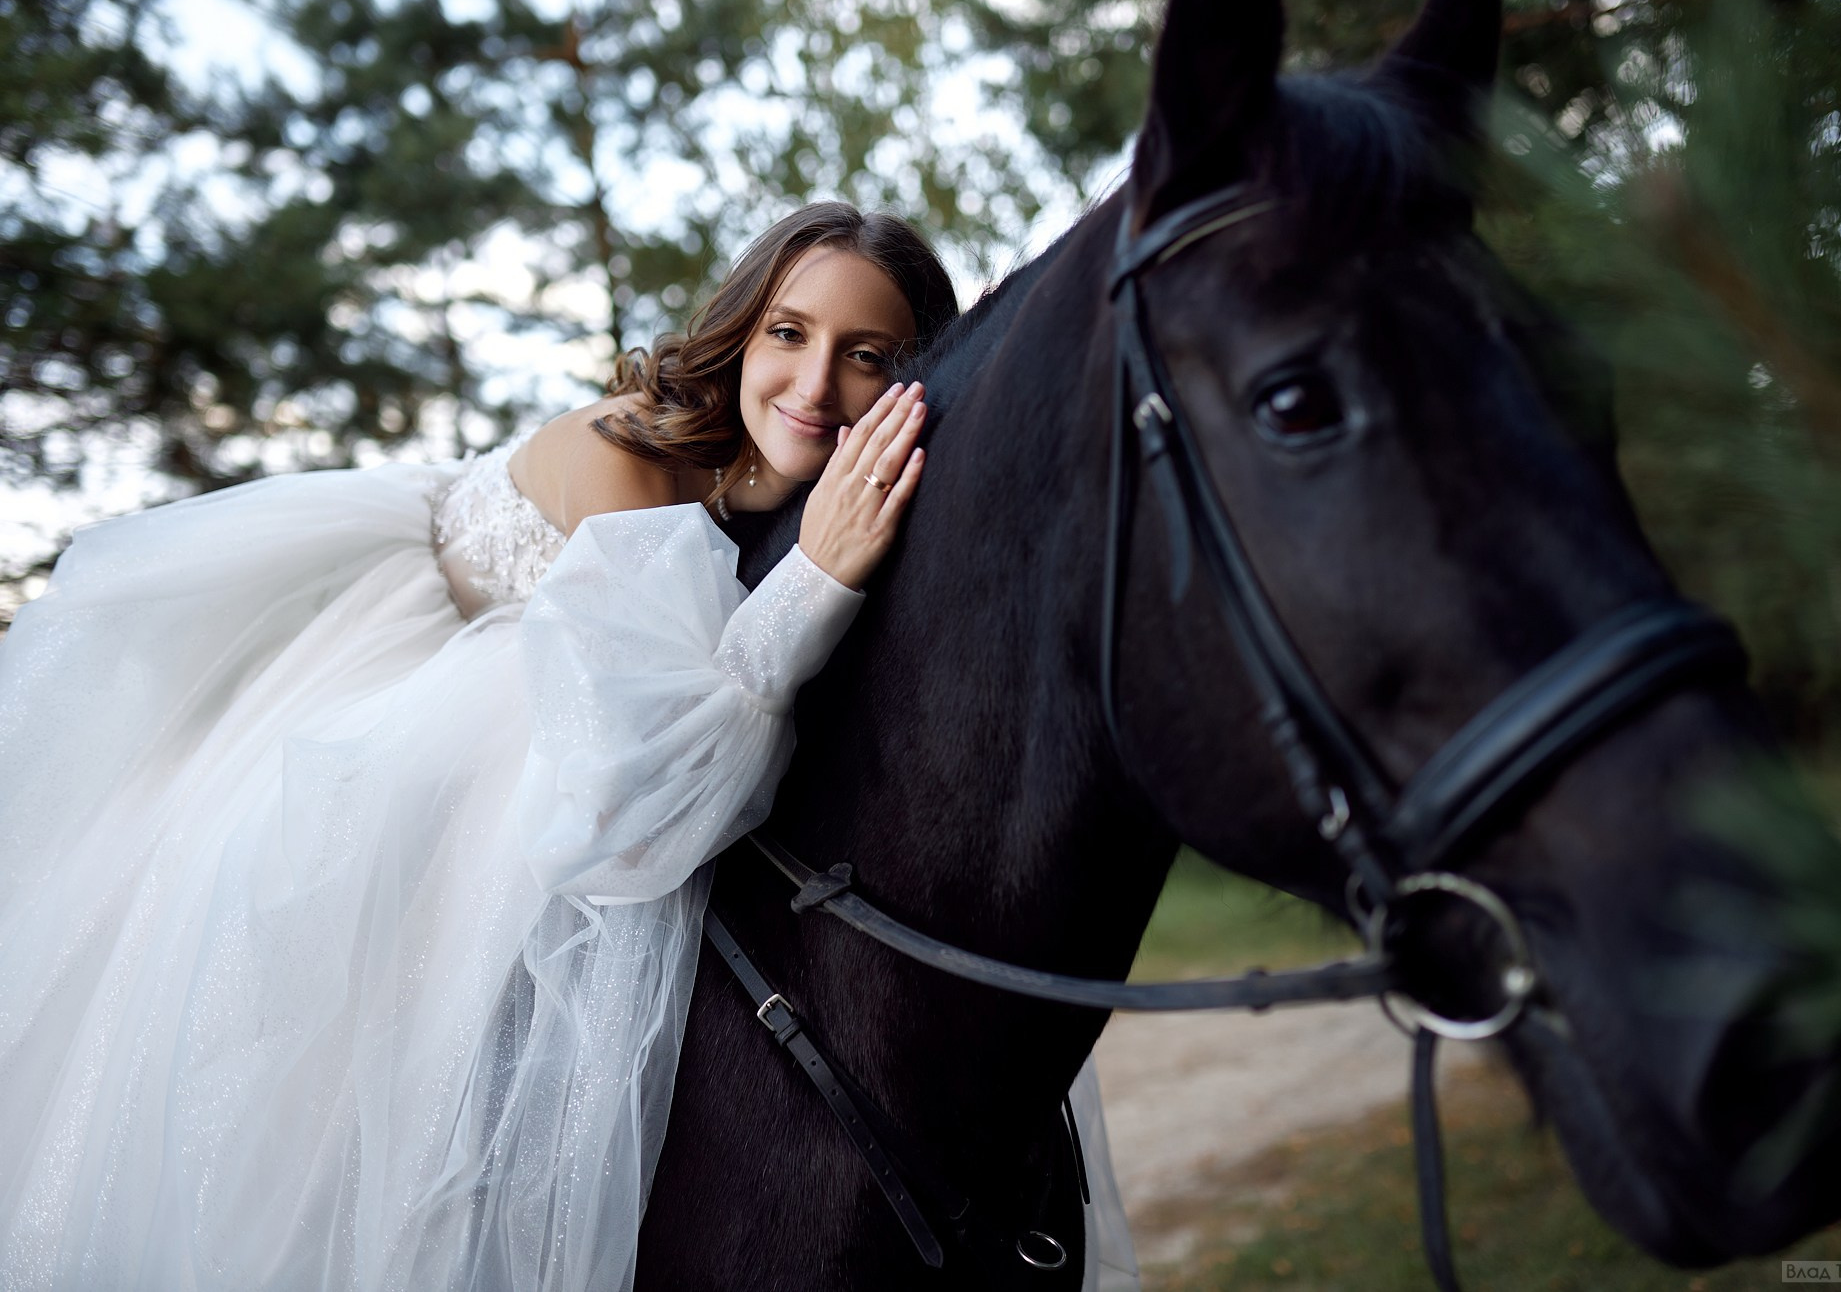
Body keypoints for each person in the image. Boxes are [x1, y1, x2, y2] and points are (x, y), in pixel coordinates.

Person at [0, 203, 1137, 1290]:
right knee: (376, 992)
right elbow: (637, 792)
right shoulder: (627, 454)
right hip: (446, 678)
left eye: (867, 355)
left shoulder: (804, 484)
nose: (812, 381)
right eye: (788, 332)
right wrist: (819, 573)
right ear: (743, 330)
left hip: (605, 706)